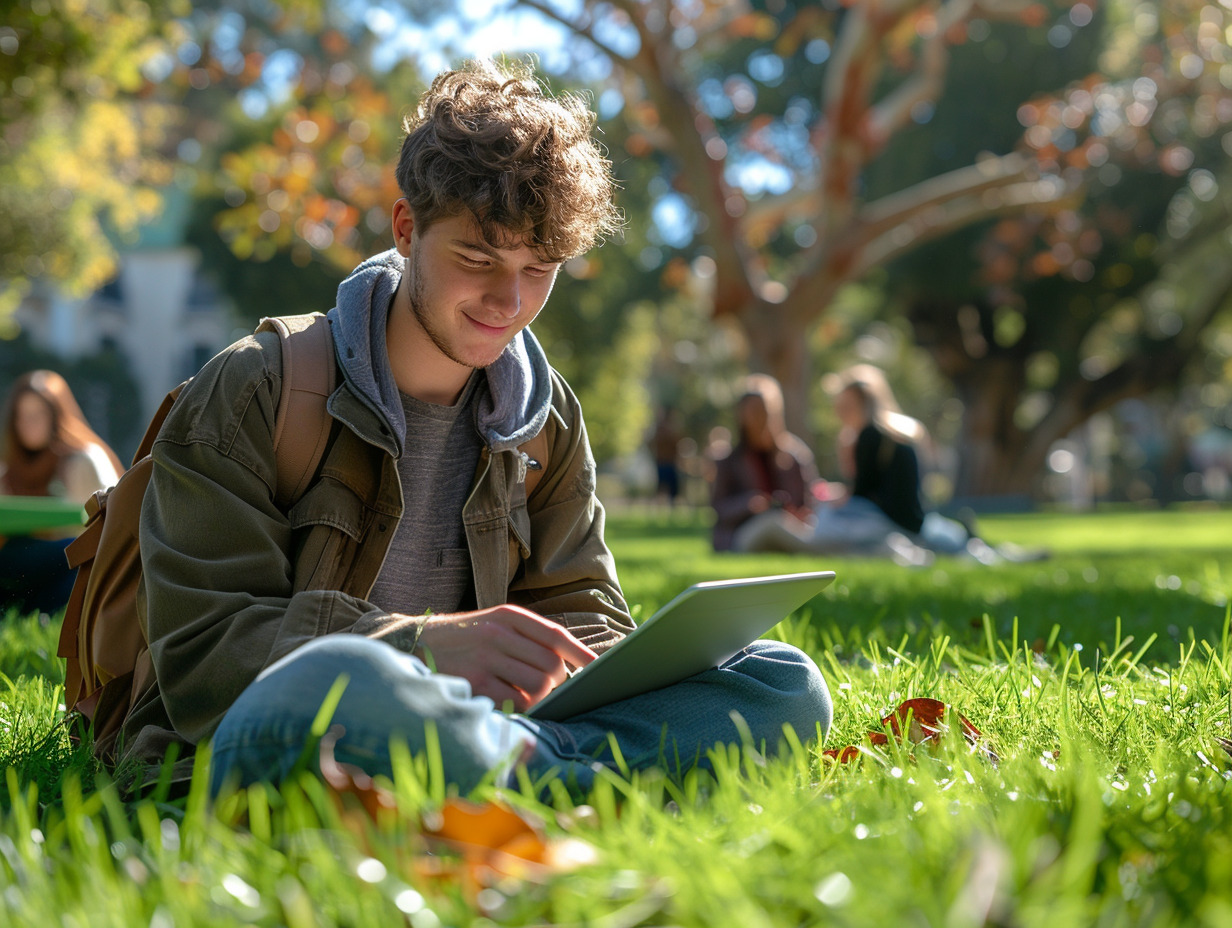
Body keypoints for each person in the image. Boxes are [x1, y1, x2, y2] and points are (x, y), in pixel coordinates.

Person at [116, 60, 831, 798]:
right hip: (267, 732)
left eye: (540, 266)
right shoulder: (256, 385)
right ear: (406, 229)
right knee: (345, 677)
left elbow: (581, 609)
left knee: (783, 681)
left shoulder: (547, 414)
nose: (509, 300)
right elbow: (203, 657)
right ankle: (571, 781)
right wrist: (424, 649)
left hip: (479, 727)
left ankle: (517, 775)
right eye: (477, 256)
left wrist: (620, 667)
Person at [0, 370, 123, 616]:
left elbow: (110, 526)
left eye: (37, 415)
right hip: (22, 564)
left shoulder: (83, 460)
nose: (29, 424)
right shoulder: (9, 467)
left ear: (56, 415)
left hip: (75, 562)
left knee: (77, 553)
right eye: (22, 416)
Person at [710, 374, 820, 552]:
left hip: (792, 530)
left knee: (785, 525)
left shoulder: (794, 455)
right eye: (752, 412)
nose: (758, 418)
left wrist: (799, 513)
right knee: (772, 524)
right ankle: (822, 550)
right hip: (743, 534)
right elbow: (718, 510)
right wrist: (749, 505)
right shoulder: (730, 460)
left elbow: (810, 500)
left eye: (763, 411)